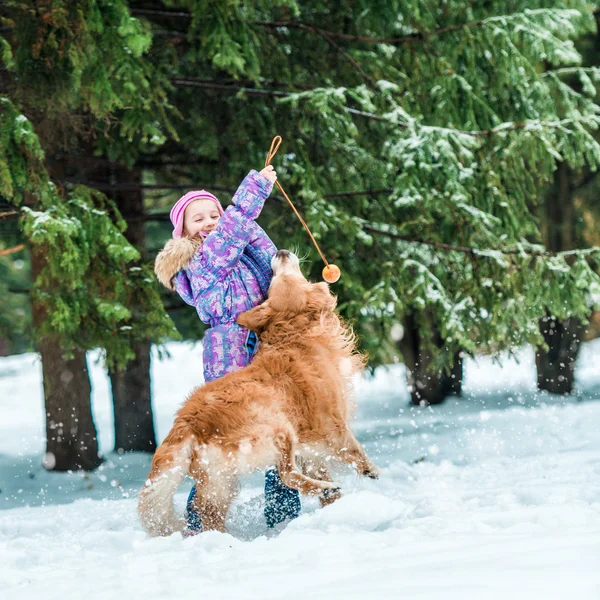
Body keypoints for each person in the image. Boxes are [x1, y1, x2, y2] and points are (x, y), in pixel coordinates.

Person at [154, 166, 301, 534]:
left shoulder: (234, 248)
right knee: (222, 445)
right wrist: (256, 188)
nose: (208, 222)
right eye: (197, 218)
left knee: (280, 432)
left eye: (214, 214)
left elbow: (265, 256)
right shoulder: (198, 263)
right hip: (232, 355)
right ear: (184, 232)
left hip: (264, 344)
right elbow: (234, 227)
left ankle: (284, 515)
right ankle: (199, 520)